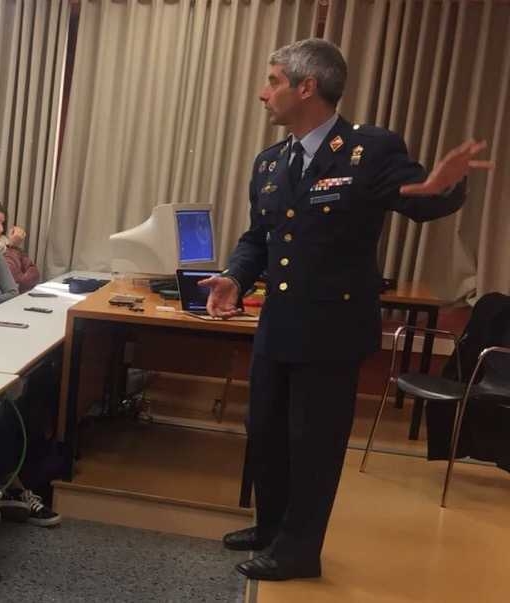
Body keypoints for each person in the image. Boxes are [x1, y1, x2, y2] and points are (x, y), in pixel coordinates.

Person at [198, 39, 489, 581]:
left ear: (307, 86)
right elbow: (258, 238)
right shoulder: (271, 162)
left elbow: (423, 199)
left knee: (313, 444)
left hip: (331, 330)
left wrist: (447, 186)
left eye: (273, 81)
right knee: (266, 432)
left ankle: (298, 551)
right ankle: (271, 528)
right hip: (279, 324)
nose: (263, 93)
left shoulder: (368, 150)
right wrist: (234, 278)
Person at [0, 199, 40, 293]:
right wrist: (11, 247)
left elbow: (34, 274)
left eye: (3, 224)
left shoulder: (4, 242)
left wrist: (11, 247)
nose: (1, 229)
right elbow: (13, 279)